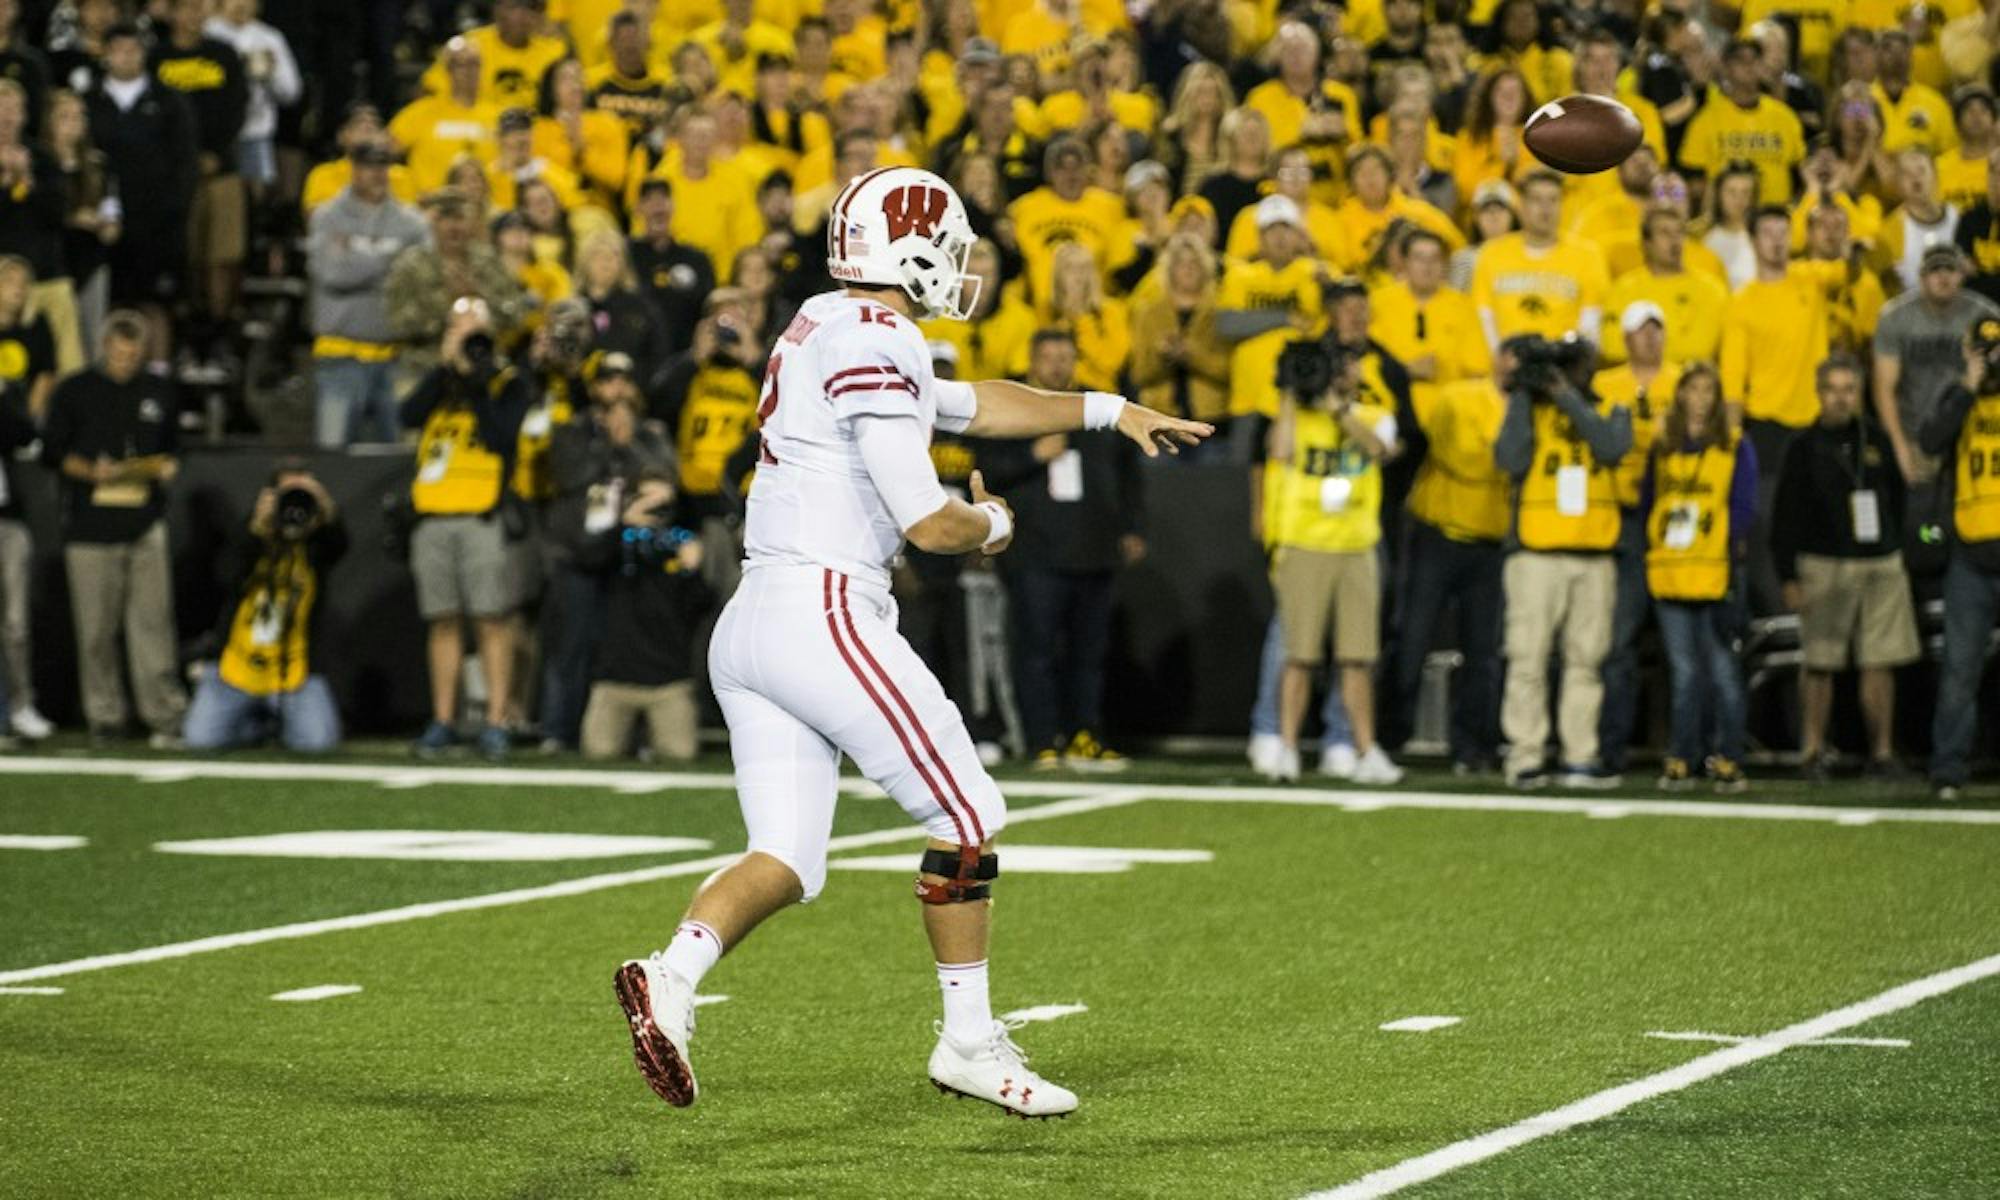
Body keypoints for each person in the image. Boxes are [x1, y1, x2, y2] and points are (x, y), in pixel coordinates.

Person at [612, 166, 1210, 1120]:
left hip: (756, 618)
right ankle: (968, 1041)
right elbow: (931, 523)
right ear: (913, 251)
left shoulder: (830, 319)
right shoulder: (879, 337)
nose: (963, 264)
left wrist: (1109, 410)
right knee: (968, 813)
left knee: (790, 859)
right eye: (953, 245)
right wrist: (996, 527)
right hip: (826, 610)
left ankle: (670, 978)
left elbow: (969, 401)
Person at [39, 310, 187, 745]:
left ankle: (162, 715)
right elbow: (53, 453)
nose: (125, 361)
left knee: (153, 626)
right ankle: (105, 717)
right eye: (119, 354)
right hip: (90, 526)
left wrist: (167, 467)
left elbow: (174, 448)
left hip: (144, 523)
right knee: (96, 631)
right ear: (105, 347)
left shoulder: (159, 392)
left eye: (133, 355)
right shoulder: (75, 391)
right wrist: (91, 472)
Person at [1260, 338, 1402, 785]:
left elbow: (1381, 449)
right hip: (1306, 544)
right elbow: (1279, 451)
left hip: (1356, 546)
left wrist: (1338, 409)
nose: (1342, 374)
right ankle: (1285, 748)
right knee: (1299, 656)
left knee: (1357, 658)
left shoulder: (1374, 413)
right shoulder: (1296, 417)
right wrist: (1289, 391)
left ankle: (1365, 749)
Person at [1493, 335, 1633, 788]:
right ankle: (1526, 755)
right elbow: (1510, 458)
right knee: (1527, 661)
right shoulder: (1529, 408)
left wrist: (1566, 397)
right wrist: (1521, 393)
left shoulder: (1613, 403)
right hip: (1536, 555)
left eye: (1578, 362)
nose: (1572, 369)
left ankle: (1580, 756)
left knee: (1585, 663)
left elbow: (1612, 447)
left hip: (1594, 555)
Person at [1770, 354, 1919, 779]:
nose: (1840, 398)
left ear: (1859, 393)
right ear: (1818, 393)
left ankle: (1883, 753)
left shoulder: (1877, 438)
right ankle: (1812, 751)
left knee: (1881, 662)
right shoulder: (1802, 446)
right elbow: (1785, 518)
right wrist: (1788, 576)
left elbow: (1896, 499)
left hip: (1879, 561)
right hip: (1823, 562)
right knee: (1820, 663)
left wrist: (1895, 547)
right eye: (1832, 389)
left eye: (1848, 389)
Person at [401, 296, 532, 760]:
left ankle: (496, 720)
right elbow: (407, 415)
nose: (469, 342)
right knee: (442, 622)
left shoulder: (508, 383)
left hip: (482, 515)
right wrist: (445, 368)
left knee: (491, 621)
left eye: (475, 332)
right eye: (459, 331)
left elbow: (501, 437)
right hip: (434, 515)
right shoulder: (440, 382)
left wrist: (476, 380)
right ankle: (443, 719)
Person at [1643, 364, 1759, 791]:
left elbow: (1744, 507)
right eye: (1692, 389)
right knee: (1685, 673)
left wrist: (1731, 557)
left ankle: (1727, 755)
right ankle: (1682, 755)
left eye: (1709, 390)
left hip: (1715, 573)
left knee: (1724, 671)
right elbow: (1648, 502)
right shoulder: (1663, 443)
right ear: (1680, 395)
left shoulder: (1733, 445)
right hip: (1671, 572)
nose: (1700, 398)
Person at [184, 464, 346, 753]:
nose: (293, 504)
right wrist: (257, 530)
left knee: (317, 743)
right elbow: (225, 575)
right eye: (288, 494)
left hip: (294, 671)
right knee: (201, 739)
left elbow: (341, 543)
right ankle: (256, 724)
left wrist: (324, 508)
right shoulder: (251, 532)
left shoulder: (317, 542)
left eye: (301, 494)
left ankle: (267, 720)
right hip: (237, 668)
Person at [1593, 302, 1681, 777]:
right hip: (1622, 518)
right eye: (1640, 331)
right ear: (1624, 337)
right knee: (1620, 640)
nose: (1649, 338)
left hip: (1673, 516)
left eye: (1656, 330)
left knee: (1679, 641)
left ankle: (1680, 749)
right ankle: (1613, 749)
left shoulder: (1683, 381)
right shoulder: (1605, 385)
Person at [575, 474, 713, 760]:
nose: (655, 511)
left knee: (680, 753)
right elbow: (587, 557)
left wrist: (692, 571)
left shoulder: (680, 545)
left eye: (662, 504)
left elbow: (702, 606)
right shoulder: (615, 546)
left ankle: (647, 738)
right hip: (615, 680)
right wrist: (625, 523)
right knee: (599, 752)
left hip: (668, 681)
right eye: (647, 501)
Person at [1918, 329, 2000, 801]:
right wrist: (1969, 384)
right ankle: (1947, 769)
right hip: (1970, 553)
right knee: (1959, 670)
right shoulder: (1959, 396)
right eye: (1982, 351)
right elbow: (1930, 440)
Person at [308, 140, 430, 448]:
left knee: (399, 462)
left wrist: (357, 256)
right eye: (368, 167)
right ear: (354, 169)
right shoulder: (327, 216)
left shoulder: (411, 222)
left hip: (397, 357)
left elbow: (419, 280)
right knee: (334, 458)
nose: (377, 174)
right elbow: (333, 273)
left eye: (382, 167)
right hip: (340, 356)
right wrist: (392, 257)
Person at [86, 23, 197, 359]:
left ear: (144, 54)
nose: (125, 56)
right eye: (118, 49)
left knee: (155, 303)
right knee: (109, 302)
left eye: (132, 49)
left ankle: (157, 378)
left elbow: (185, 163)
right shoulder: (89, 102)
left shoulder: (169, 102)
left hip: (157, 225)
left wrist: (174, 211)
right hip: (102, 226)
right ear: (105, 55)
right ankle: (108, 376)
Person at [150, 0, 248, 353]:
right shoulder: (156, 58)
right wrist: (183, 160)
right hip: (174, 176)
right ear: (172, 14)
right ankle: (188, 329)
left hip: (221, 170)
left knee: (223, 253)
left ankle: (221, 329)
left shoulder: (224, 55)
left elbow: (237, 108)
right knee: (184, 254)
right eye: (186, 9)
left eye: (198, 9)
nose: (194, 16)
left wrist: (215, 154)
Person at [1471, 170, 1610, 351]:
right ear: (1521, 206)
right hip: (1507, 364)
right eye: (1537, 200)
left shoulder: (1587, 255)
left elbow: (1591, 323)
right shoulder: (1491, 254)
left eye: (1553, 200)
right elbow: (1484, 318)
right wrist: (1502, 362)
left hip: (1563, 363)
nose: (1546, 209)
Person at [0, 330, 44, 740]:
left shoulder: (6, 390)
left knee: (15, 623)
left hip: (6, 521)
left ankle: (20, 705)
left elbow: (25, 433)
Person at [627, 178, 715, 359]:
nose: (658, 206)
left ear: (673, 206)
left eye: (664, 198)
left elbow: (709, 310)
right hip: (637, 360)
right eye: (649, 200)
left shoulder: (697, 259)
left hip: (686, 360)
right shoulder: (625, 256)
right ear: (638, 209)